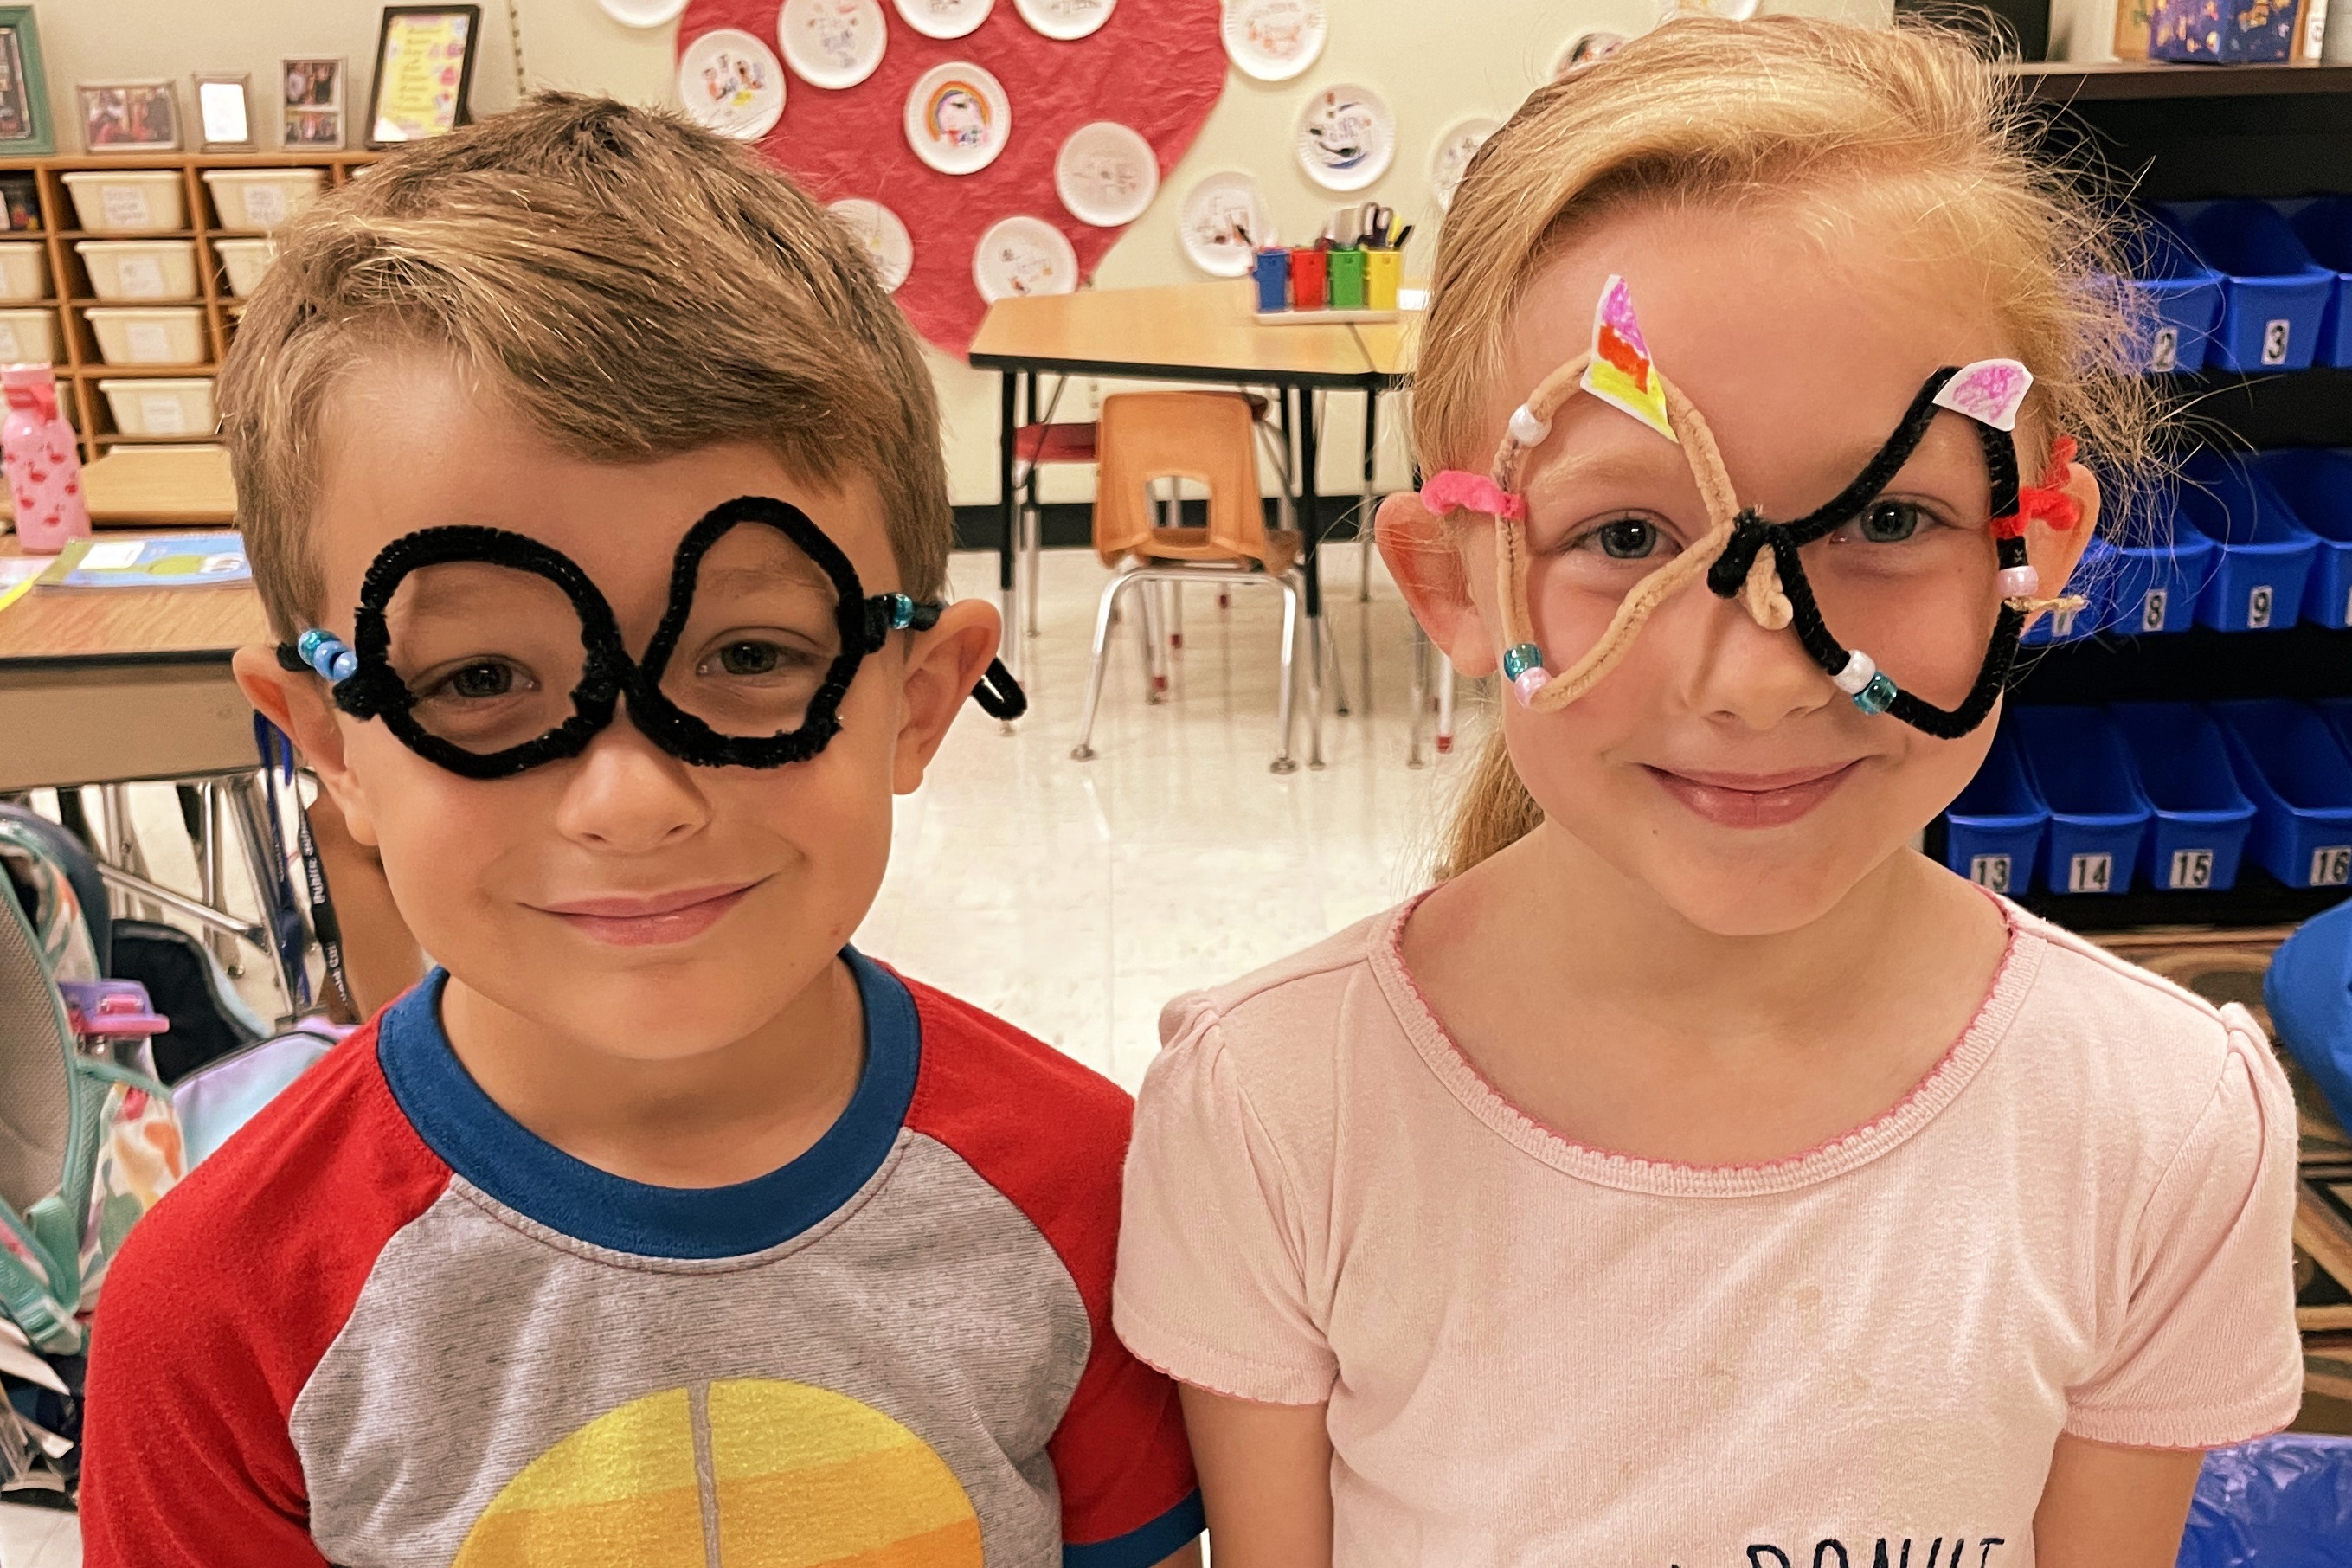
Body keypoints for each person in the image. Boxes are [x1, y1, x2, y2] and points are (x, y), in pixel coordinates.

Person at [1114, 19, 2301, 1567]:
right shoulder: (1271, 1113)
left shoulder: (2163, 1125)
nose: (1759, 679)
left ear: (2040, 546)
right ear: (1450, 579)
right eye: (1621, 540)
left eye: (1888, 513)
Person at [80, 93, 1203, 1568]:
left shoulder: (1097, 1194)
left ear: (917, 698)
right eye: (477, 682)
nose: (631, 800)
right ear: (327, 742)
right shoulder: (219, 1309)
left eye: (748, 659)